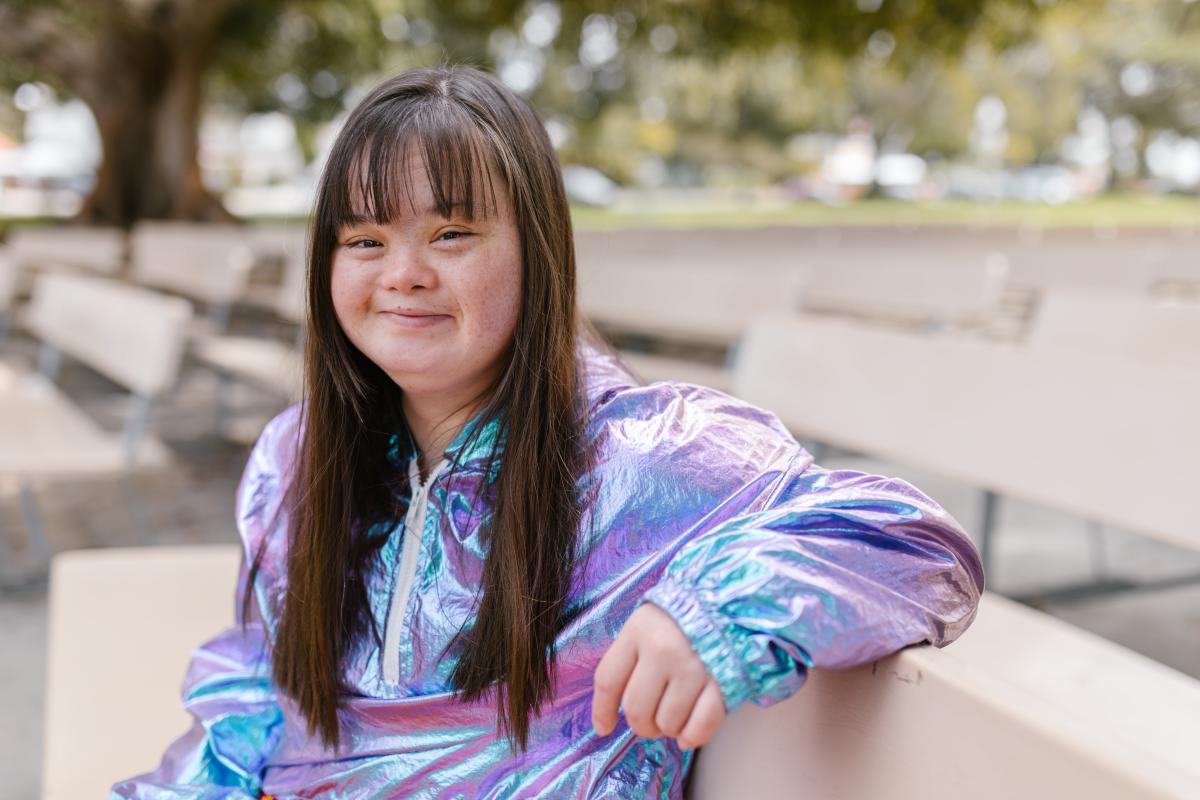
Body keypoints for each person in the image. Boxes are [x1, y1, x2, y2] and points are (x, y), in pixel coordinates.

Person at [111, 64, 984, 799]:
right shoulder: (295, 459)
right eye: (365, 240)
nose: (403, 275)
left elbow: (915, 544)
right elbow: (258, 702)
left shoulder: (645, 454)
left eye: (451, 232)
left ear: (537, 250)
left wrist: (716, 615)